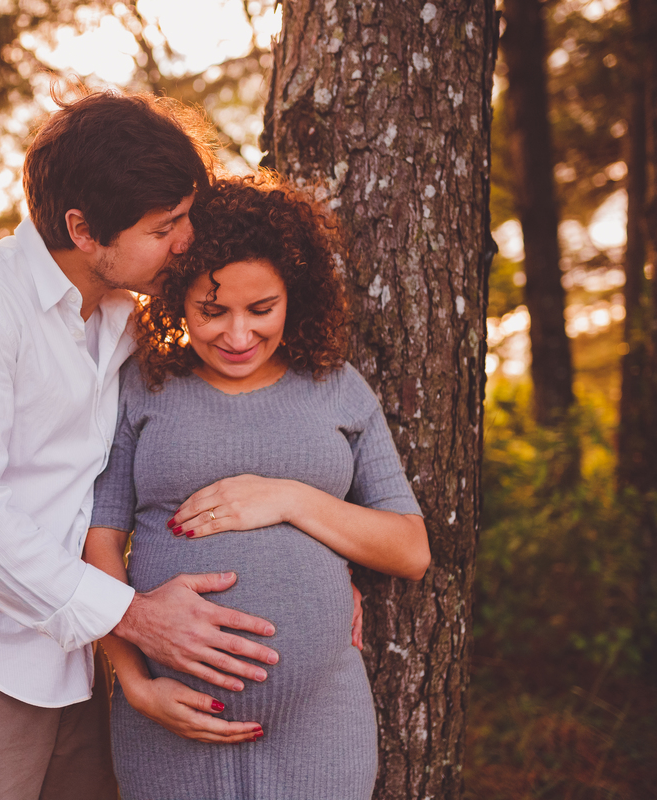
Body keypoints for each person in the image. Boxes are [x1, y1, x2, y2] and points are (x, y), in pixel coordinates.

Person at [0, 91, 286, 800]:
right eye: (165, 226)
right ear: (83, 229)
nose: (186, 241)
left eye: (186, 217)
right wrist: (135, 616)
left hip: (71, 655)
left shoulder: (122, 318)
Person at [84, 172, 431, 800]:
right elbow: (98, 544)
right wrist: (134, 682)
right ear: (175, 300)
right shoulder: (144, 386)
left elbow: (410, 550)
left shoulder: (337, 387)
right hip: (169, 716)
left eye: (261, 309)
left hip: (320, 724)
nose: (238, 335)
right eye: (211, 311)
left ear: (294, 296)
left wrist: (291, 498)